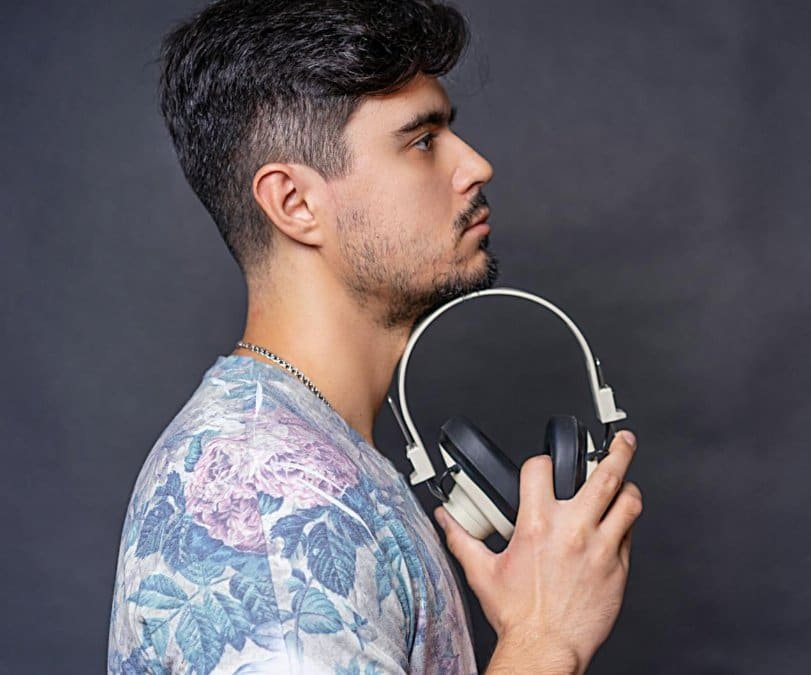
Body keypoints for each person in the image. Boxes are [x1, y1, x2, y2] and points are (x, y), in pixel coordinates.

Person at [106, 1, 643, 673]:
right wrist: (543, 636)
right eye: (422, 140)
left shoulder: (313, 458)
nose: (476, 165)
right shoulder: (272, 511)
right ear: (296, 204)